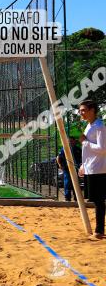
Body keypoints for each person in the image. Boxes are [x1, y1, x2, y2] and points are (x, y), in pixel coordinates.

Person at [78, 100, 106, 238]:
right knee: (96, 200)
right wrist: (83, 165)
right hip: (91, 168)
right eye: (80, 110)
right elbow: (87, 150)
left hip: (99, 169)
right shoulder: (89, 126)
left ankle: (99, 231)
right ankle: (99, 230)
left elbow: (102, 149)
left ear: (92, 110)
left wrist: (85, 142)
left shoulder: (99, 126)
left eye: (83, 110)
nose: (81, 113)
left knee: (99, 200)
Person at [56, 136, 82, 202]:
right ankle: (67, 198)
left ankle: (77, 198)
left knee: (76, 183)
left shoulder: (78, 149)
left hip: (76, 168)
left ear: (74, 141)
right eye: (68, 141)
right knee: (67, 183)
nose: (70, 142)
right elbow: (58, 157)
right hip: (67, 168)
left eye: (71, 141)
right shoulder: (64, 149)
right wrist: (60, 165)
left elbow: (82, 158)